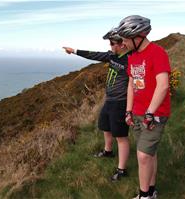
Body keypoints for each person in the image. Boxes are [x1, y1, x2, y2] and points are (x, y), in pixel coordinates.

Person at [63, 28, 131, 181]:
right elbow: (93, 55)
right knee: (105, 126)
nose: (110, 46)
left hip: (121, 102)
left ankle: (122, 170)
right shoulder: (112, 56)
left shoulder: (131, 59)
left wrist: (130, 109)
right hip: (110, 100)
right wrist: (73, 50)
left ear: (122, 45)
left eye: (112, 43)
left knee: (121, 136)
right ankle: (108, 152)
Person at [117, 15, 171, 199]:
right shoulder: (133, 57)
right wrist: (128, 111)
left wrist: (150, 113)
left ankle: (144, 195)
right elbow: (131, 86)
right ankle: (152, 190)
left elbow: (163, 85)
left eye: (125, 39)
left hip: (154, 115)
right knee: (149, 154)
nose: (123, 43)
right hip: (138, 113)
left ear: (137, 36)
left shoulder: (158, 53)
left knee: (142, 156)